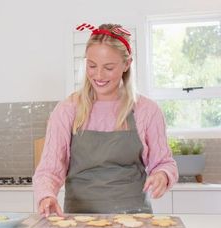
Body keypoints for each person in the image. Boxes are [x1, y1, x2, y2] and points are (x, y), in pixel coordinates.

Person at [33, 23, 178, 216]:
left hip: (135, 218)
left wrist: (162, 175)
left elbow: (164, 162)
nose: (98, 75)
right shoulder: (67, 110)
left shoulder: (147, 110)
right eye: (92, 66)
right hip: (80, 219)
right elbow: (49, 169)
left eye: (108, 67)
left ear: (127, 64)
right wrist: (46, 195)